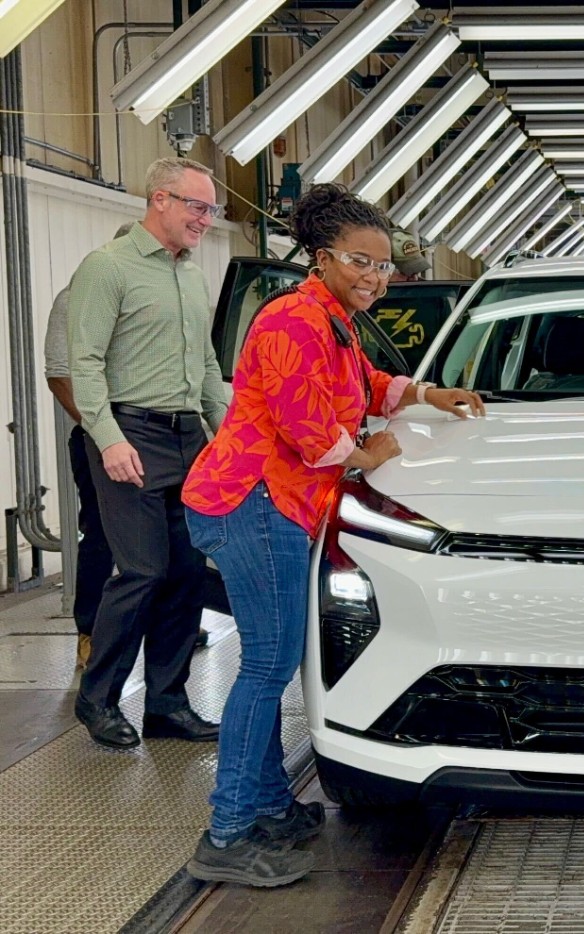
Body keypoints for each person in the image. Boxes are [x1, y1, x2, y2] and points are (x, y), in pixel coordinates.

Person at [180, 183, 484, 887]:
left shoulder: (334, 321)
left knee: (273, 660)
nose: (376, 278)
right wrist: (373, 455)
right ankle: (226, 832)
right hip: (251, 499)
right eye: (360, 262)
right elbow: (311, 429)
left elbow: (368, 385)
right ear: (321, 258)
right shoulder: (293, 320)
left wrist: (428, 395)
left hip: (277, 503)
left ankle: (267, 804)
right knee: (265, 665)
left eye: (384, 267)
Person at [69, 158, 227, 750]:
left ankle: (166, 702)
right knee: (141, 571)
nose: (205, 219)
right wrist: (108, 439)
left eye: (210, 209)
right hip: (129, 432)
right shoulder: (107, 268)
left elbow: (207, 368)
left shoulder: (193, 276)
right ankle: (97, 696)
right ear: (158, 198)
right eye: (197, 206)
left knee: (187, 574)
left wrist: (229, 440)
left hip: (187, 434)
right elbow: (83, 363)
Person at [45, 223, 132, 670]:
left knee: (170, 539)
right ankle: (90, 632)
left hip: (158, 434)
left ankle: (165, 623)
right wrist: (105, 432)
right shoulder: (76, 296)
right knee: (101, 533)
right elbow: (60, 376)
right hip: (101, 437)